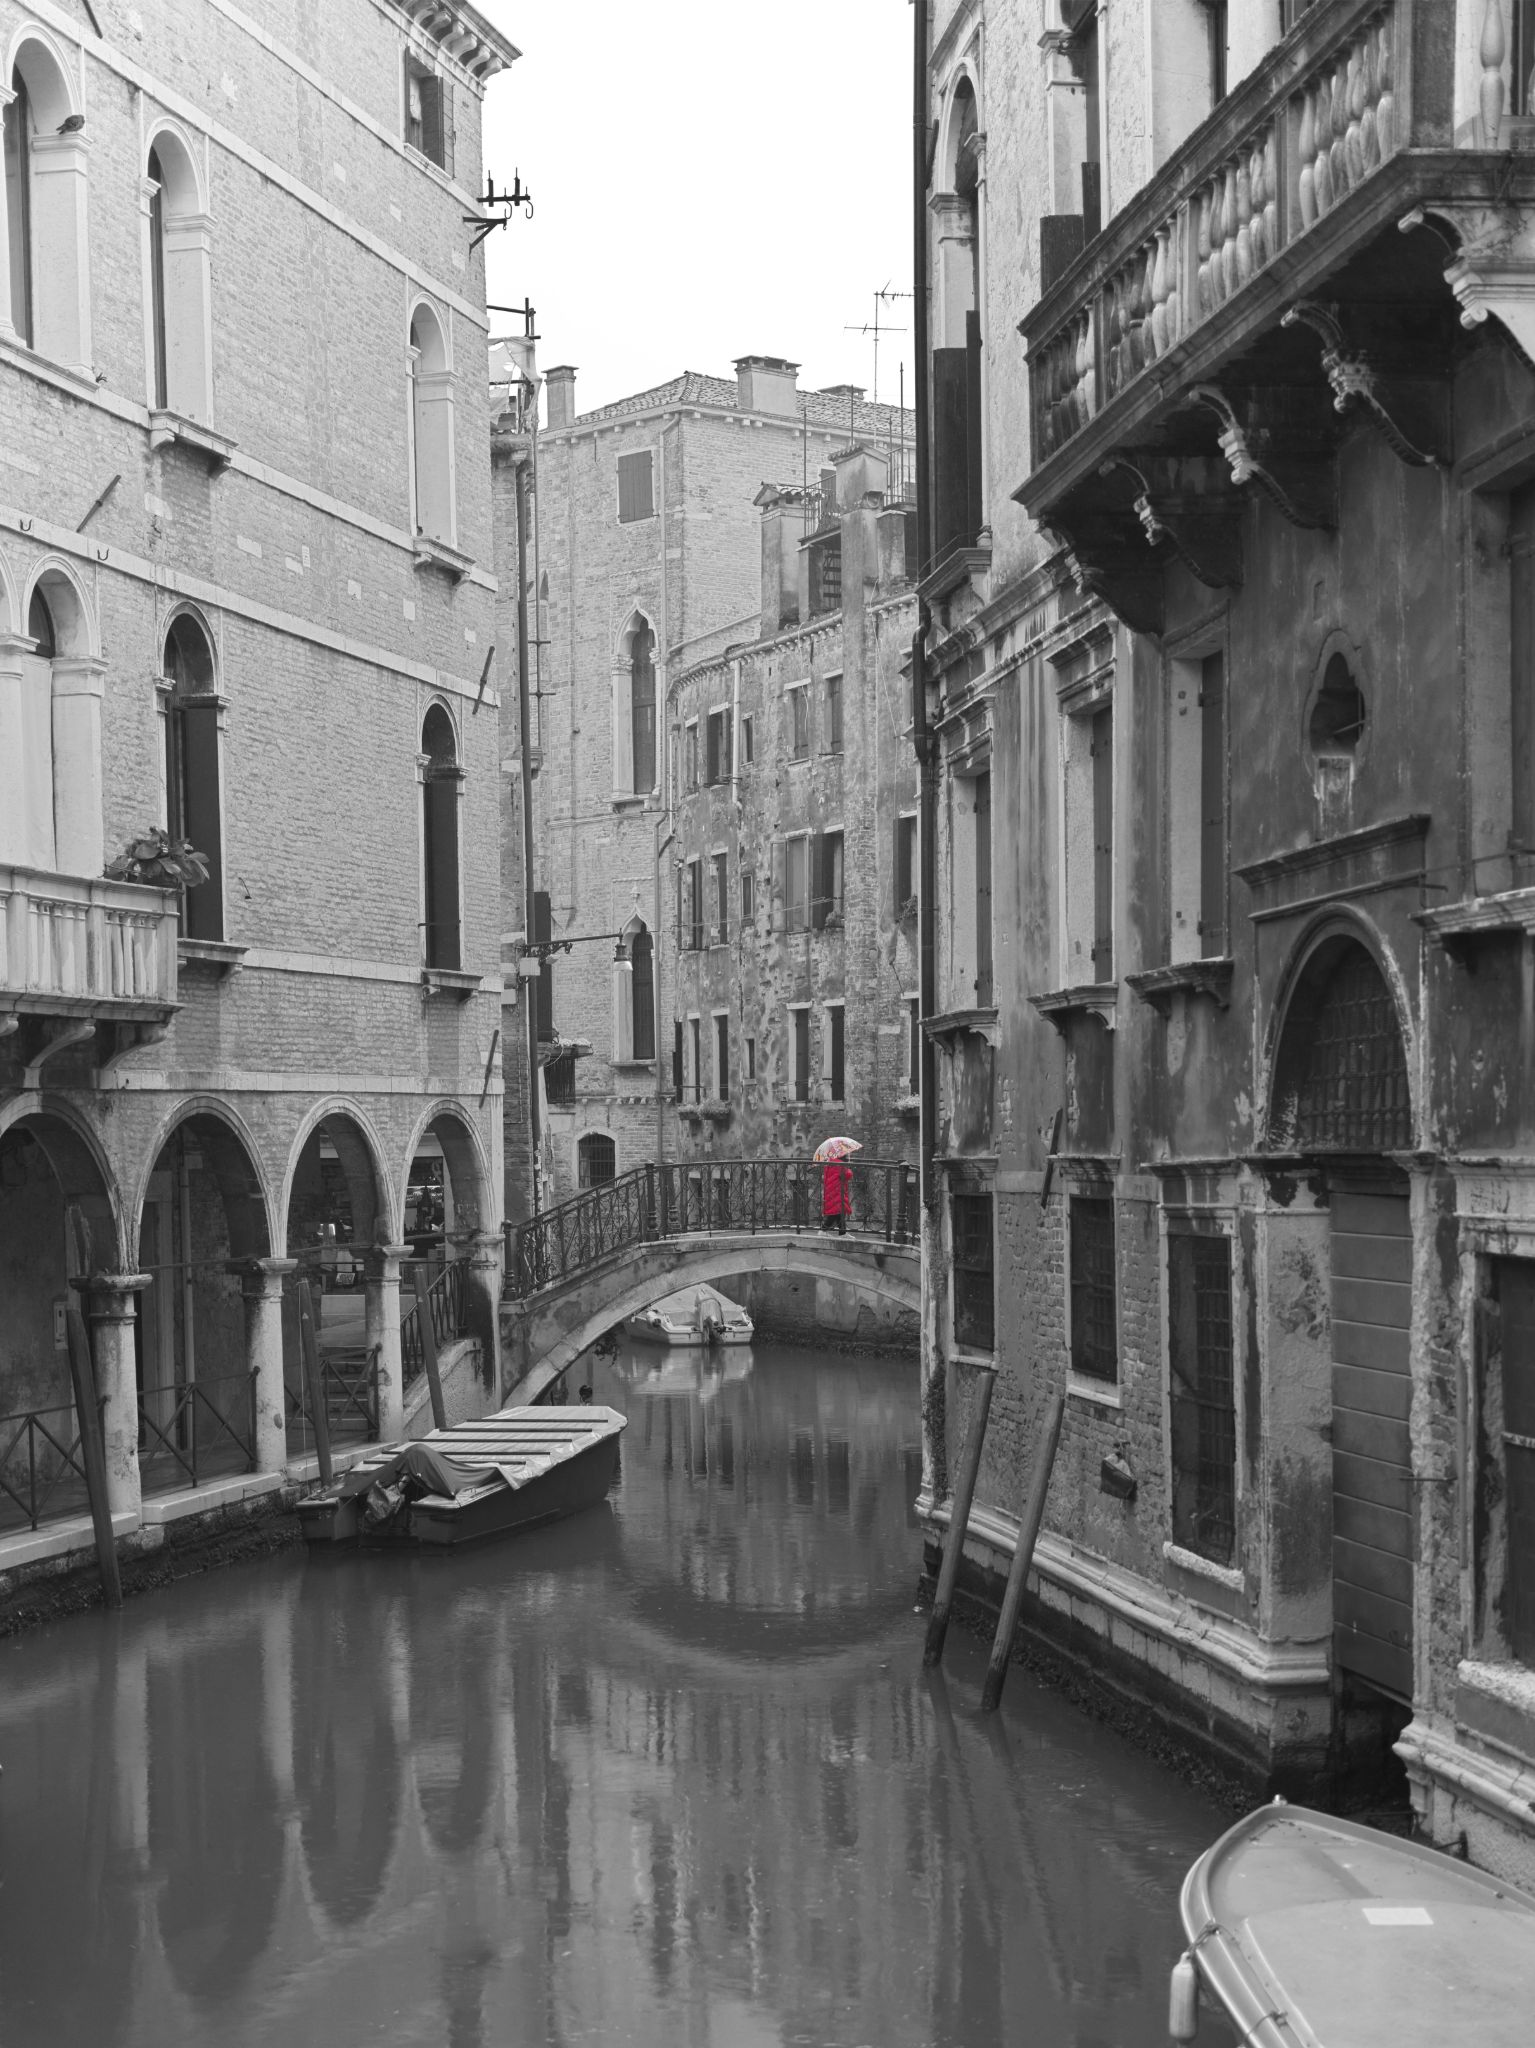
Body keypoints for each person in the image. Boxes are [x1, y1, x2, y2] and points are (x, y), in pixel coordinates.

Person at [821, 1155, 853, 1234]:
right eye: (847, 1155)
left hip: (831, 1190)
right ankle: (823, 1230)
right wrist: (848, 1168)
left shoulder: (830, 1162)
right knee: (836, 1212)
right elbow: (847, 1175)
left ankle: (842, 1233)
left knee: (838, 1212)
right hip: (838, 1190)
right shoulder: (840, 1164)